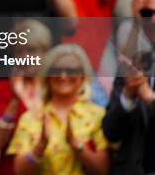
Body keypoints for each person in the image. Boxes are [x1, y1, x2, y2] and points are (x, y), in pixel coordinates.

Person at [8, 44, 109, 175]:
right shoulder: (31, 118)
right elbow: (19, 171)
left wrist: (77, 146)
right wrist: (41, 145)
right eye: (56, 70)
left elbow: (103, 170)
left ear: (83, 75)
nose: (63, 75)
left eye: (71, 70)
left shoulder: (98, 115)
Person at [102, 0, 155, 174]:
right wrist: (128, 97)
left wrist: (147, 96)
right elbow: (110, 132)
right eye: (146, 13)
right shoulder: (139, 62)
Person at [0, 20, 52, 175]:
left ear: (46, 53)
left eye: (32, 50)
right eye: (19, 51)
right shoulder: (2, 88)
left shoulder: (57, 86)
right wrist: (15, 101)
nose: (25, 57)